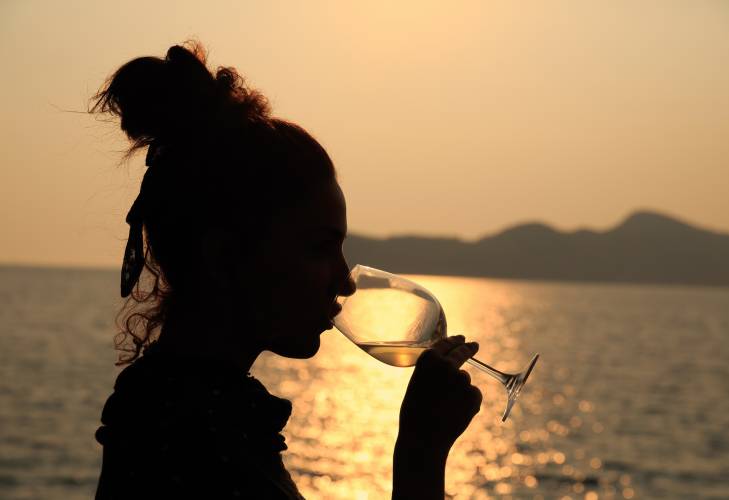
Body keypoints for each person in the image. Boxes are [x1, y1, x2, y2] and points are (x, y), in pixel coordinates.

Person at [91, 41, 483, 500]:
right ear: (222, 257)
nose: (345, 281)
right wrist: (420, 454)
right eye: (319, 248)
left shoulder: (180, 410)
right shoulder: (193, 441)